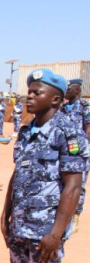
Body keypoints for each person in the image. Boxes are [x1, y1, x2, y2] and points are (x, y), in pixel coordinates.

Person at [0, 69, 89, 263]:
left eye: (37, 92)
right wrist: (6, 214)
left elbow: (73, 185)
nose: (29, 97)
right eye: (29, 92)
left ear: (57, 99)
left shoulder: (68, 131)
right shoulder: (26, 129)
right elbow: (18, 175)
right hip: (20, 223)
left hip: (46, 227)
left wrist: (57, 232)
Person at [60, 78, 90, 233]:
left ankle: (75, 216)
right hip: (64, 151)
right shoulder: (63, 108)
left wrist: (80, 147)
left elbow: (89, 128)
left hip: (79, 151)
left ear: (77, 90)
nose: (66, 91)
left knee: (79, 184)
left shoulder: (85, 107)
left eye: (69, 88)